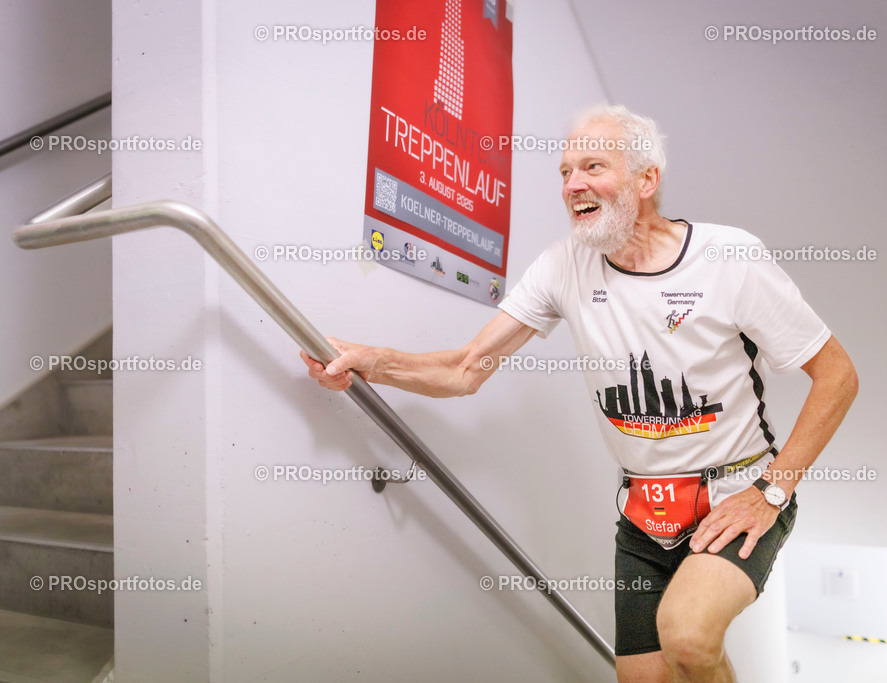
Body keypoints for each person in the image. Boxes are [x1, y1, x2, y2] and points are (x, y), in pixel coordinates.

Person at [301, 104, 858, 683]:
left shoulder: (729, 257)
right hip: (644, 514)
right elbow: (467, 368)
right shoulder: (562, 266)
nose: (572, 185)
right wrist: (372, 362)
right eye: (565, 172)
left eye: (593, 166)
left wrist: (772, 491)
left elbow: (838, 376)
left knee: (689, 637)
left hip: (738, 493)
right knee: (641, 678)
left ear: (647, 179)